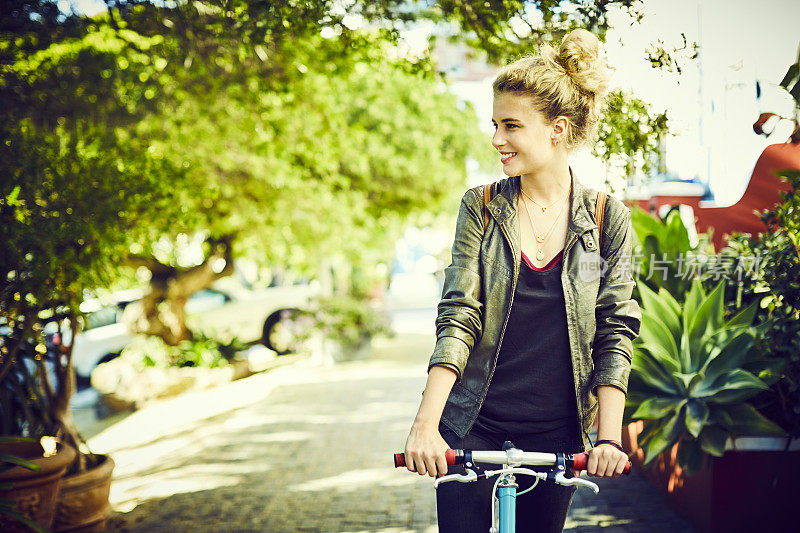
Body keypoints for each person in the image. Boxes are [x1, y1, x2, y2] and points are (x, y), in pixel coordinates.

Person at [403, 28, 642, 533]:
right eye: (495, 124)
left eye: (511, 125)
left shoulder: (603, 219)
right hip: (474, 423)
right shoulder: (483, 207)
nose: (497, 140)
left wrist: (608, 438)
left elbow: (614, 330)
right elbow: (460, 316)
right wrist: (427, 424)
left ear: (557, 129)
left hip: (557, 431)